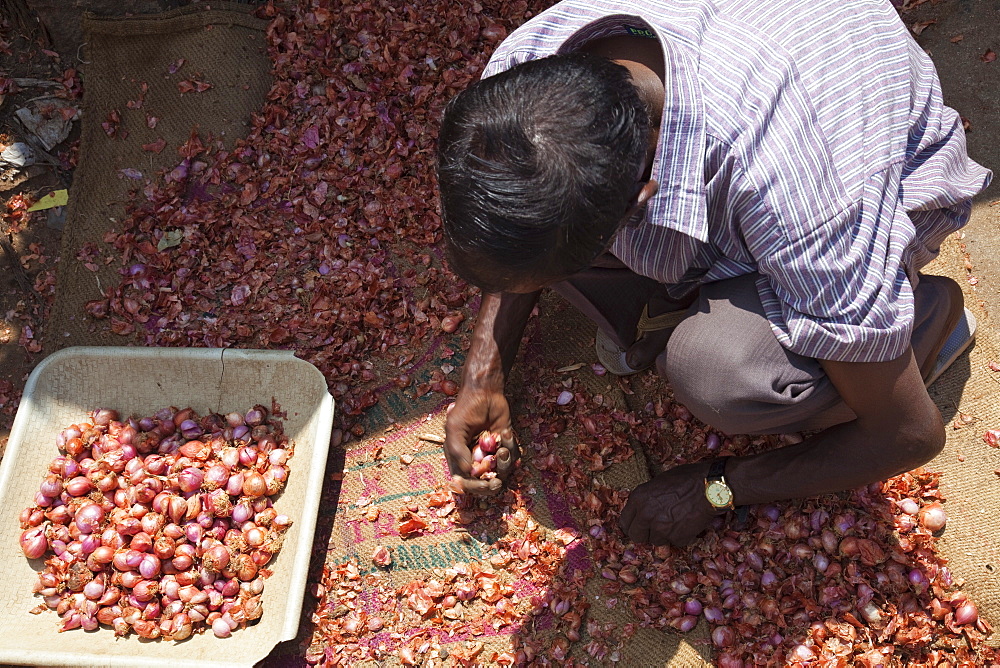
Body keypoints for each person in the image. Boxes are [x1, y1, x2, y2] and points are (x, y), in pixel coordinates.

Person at [435, 0, 992, 546]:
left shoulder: (795, 194)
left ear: (641, 203)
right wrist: (485, 367)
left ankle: (925, 319)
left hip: (852, 155)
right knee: (550, 241)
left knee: (718, 376)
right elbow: (518, 224)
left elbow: (909, 436)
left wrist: (717, 487)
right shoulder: (523, 74)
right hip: (754, 111)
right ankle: (661, 287)